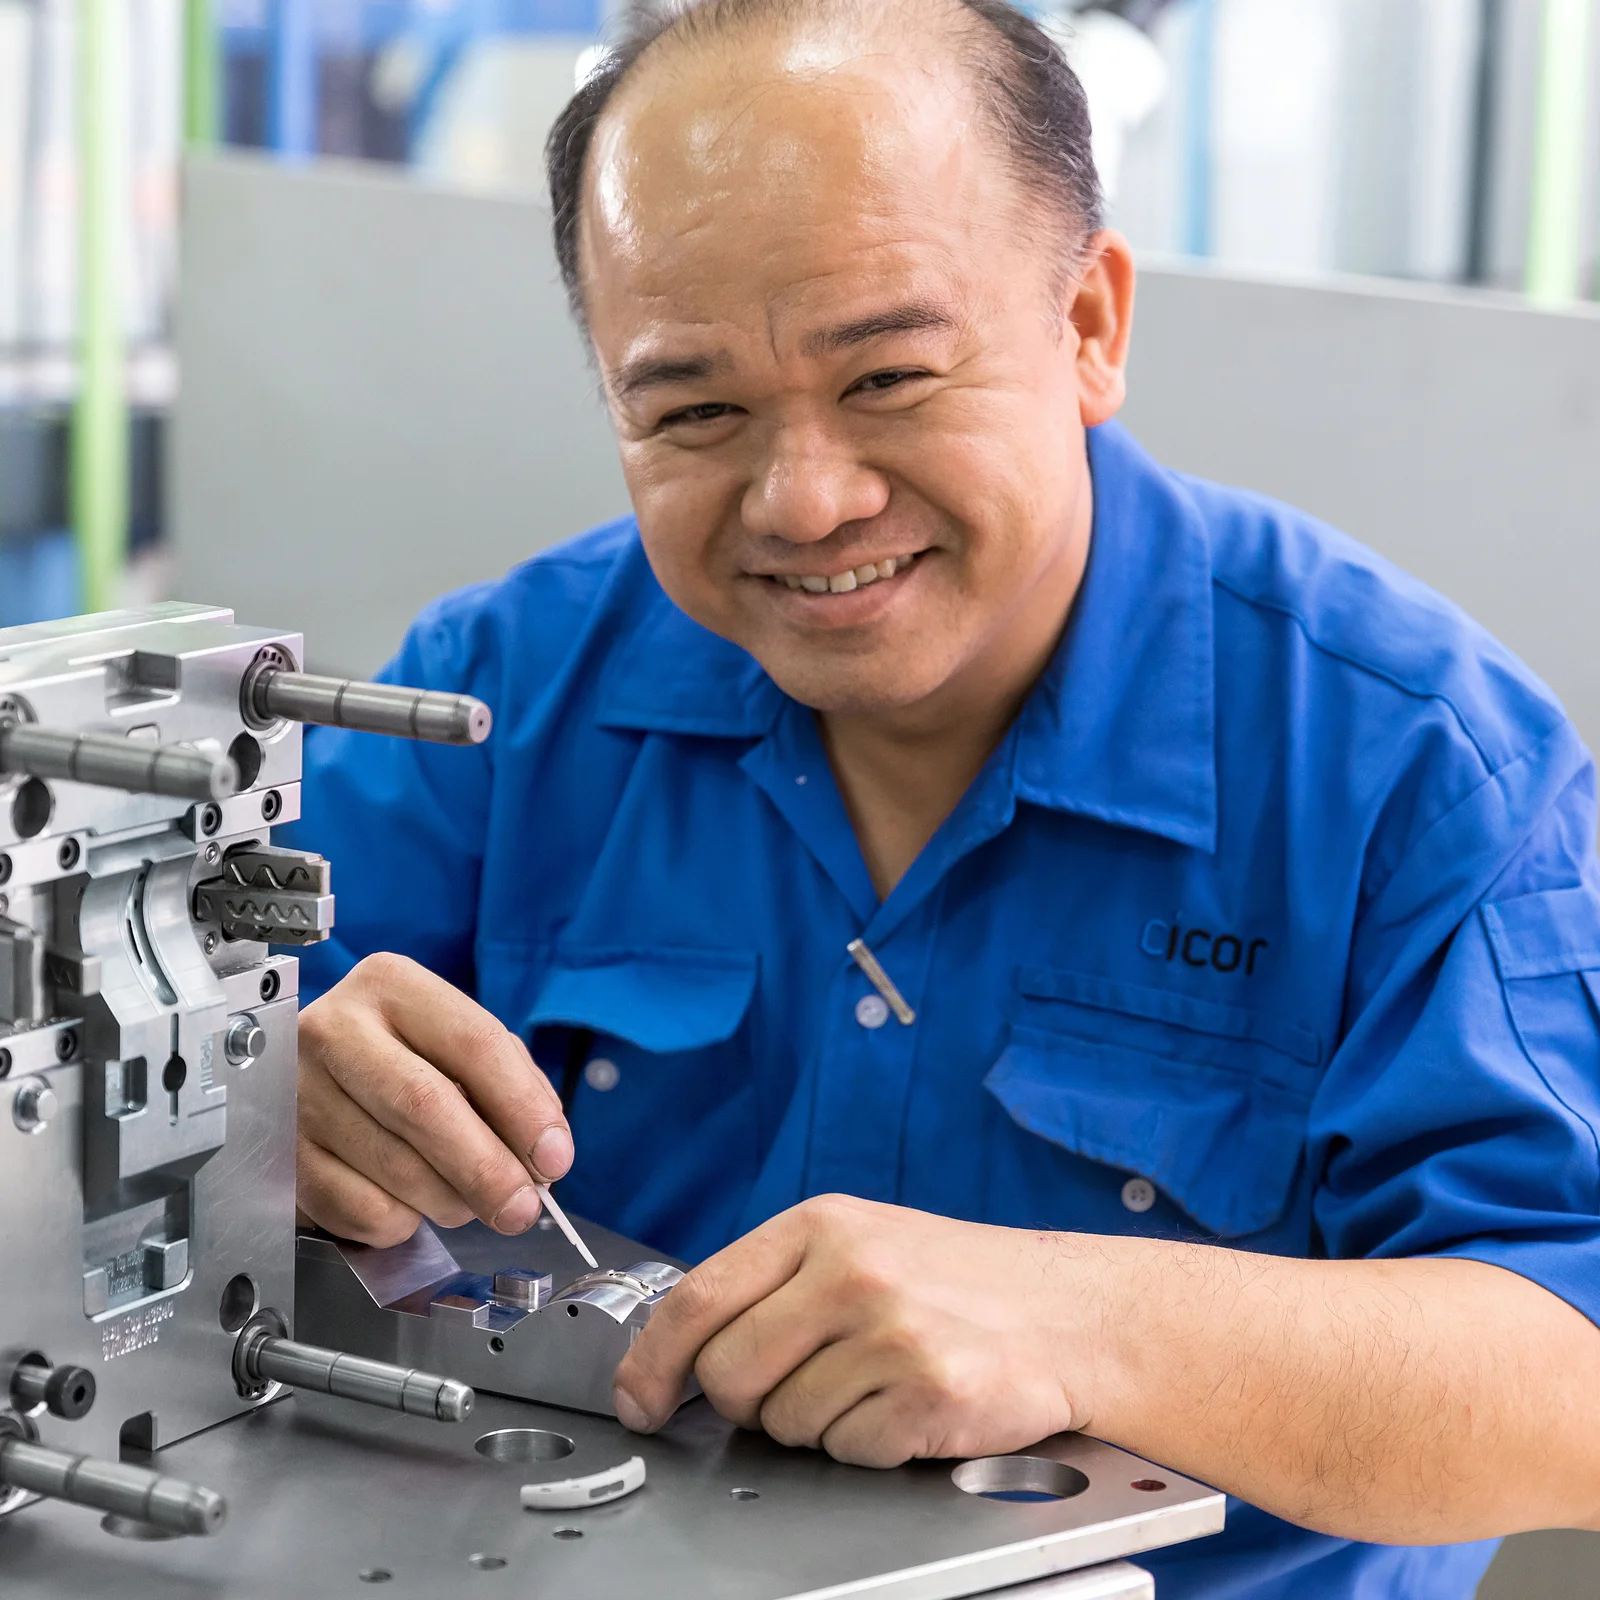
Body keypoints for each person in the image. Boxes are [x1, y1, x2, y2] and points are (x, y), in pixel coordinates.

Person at [283, 0, 1600, 1592]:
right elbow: (195, 1064)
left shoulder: (1407, 765)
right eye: (696, 411)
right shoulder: (505, 689)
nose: (809, 499)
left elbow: (1569, 1380)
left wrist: (1086, 1322)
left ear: (1091, 325)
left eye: (891, 376)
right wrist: (256, 1104)